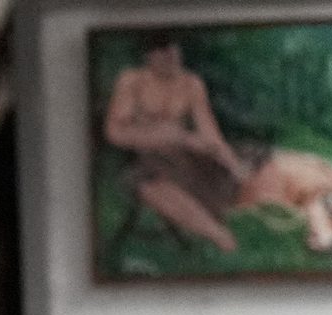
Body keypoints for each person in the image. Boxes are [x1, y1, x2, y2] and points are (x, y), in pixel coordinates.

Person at [103, 32, 252, 253]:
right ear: (149, 58)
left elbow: (209, 132)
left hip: (184, 156)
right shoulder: (132, 81)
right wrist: (164, 135)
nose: (171, 62)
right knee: (148, 185)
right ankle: (216, 233)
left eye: (175, 56)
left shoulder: (191, 83)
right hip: (145, 157)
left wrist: (231, 162)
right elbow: (114, 133)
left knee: (239, 161)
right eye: (164, 57)